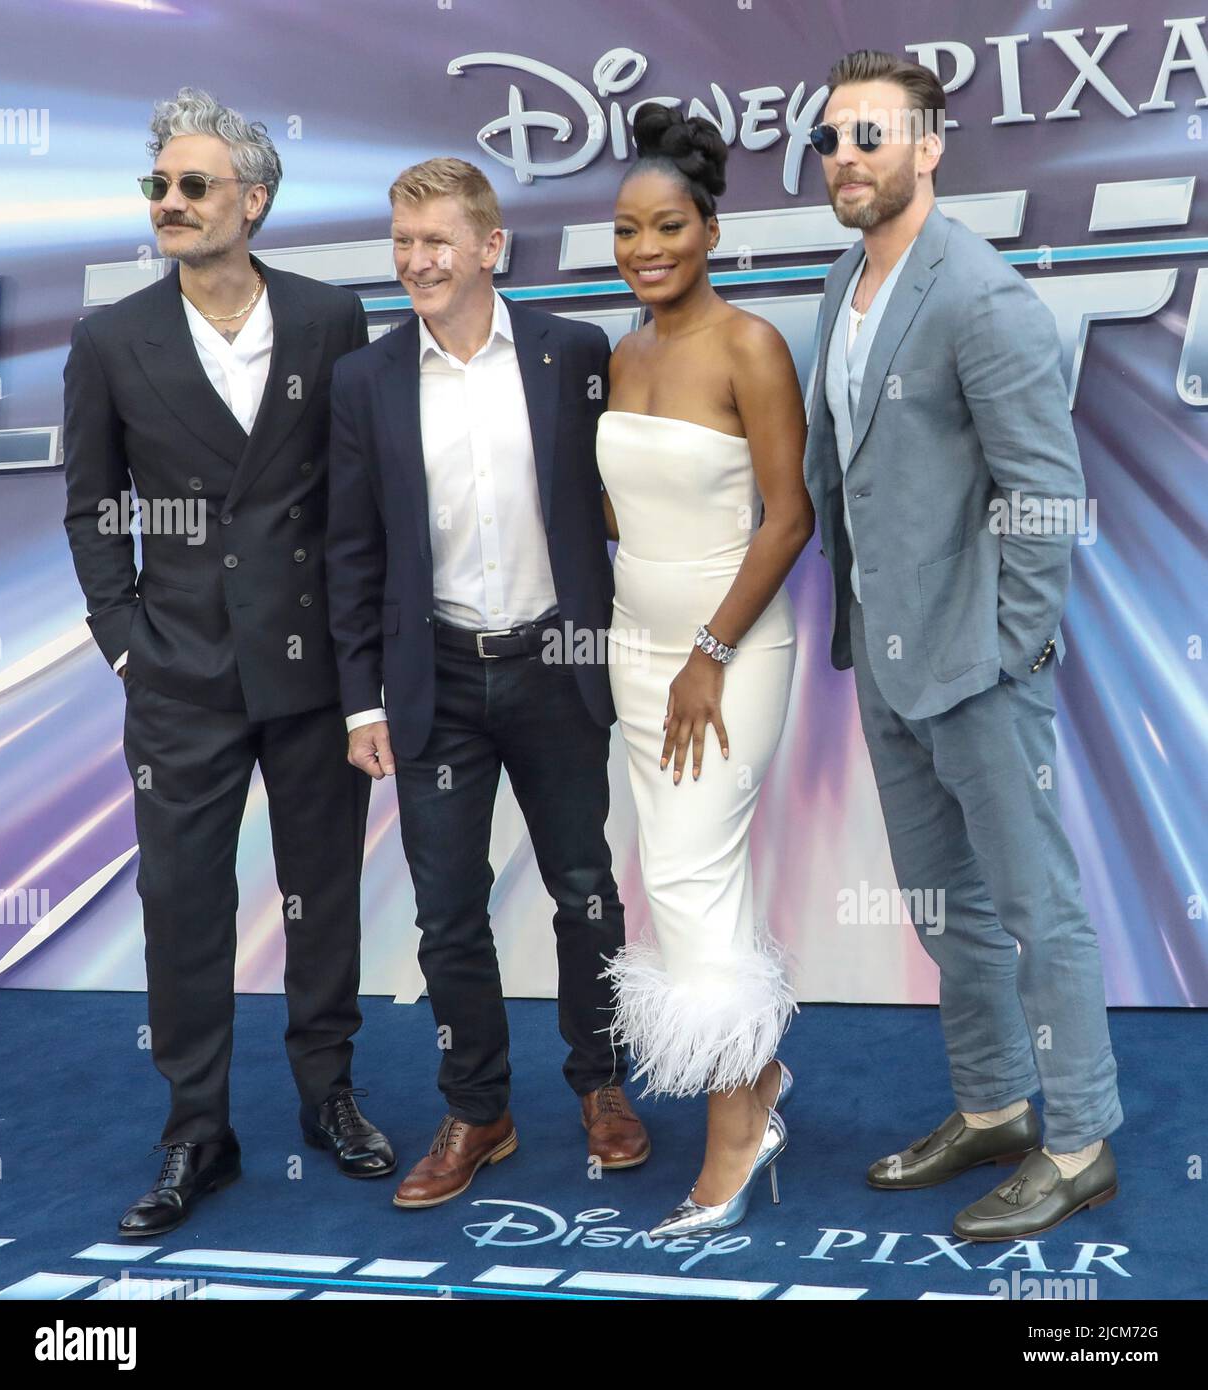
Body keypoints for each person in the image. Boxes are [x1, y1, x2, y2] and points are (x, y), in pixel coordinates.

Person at [62, 88, 395, 1238]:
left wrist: (363, 662)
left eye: (193, 185)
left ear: (253, 200)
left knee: (324, 897)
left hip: (310, 673)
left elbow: (353, 497)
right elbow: (93, 506)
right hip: (180, 675)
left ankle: (328, 1096)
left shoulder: (326, 318)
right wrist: (123, 647)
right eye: (158, 186)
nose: (169, 202)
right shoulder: (110, 338)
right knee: (182, 906)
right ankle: (195, 1128)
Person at [803, 49, 1123, 1240]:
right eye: (829, 139)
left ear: (928, 148)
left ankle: (1079, 1137)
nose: (844, 158)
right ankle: (992, 1106)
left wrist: (1012, 647)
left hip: (975, 665)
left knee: (1038, 907)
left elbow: (1043, 491)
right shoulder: (845, 287)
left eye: (868, 137)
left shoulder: (977, 293)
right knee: (948, 909)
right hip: (884, 660)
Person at [325, 157, 649, 1210]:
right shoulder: (363, 380)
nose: (415, 262)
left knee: (582, 890)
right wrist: (362, 698)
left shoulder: (572, 353)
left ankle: (600, 1084)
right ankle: (478, 1108)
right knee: (446, 913)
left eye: (435, 243)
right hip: (435, 682)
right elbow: (351, 551)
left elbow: (622, 506)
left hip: (558, 669)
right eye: (402, 243)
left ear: (489, 248)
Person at [597, 104, 813, 1238]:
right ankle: (758, 1080)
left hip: (724, 660)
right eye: (626, 230)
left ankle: (740, 1123)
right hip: (637, 657)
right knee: (678, 879)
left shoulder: (750, 346)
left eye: (666, 226)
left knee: (688, 880)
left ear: (711, 230)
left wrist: (707, 655)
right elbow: (621, 512)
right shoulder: (622, 349)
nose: (645, 248)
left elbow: (789, 518)